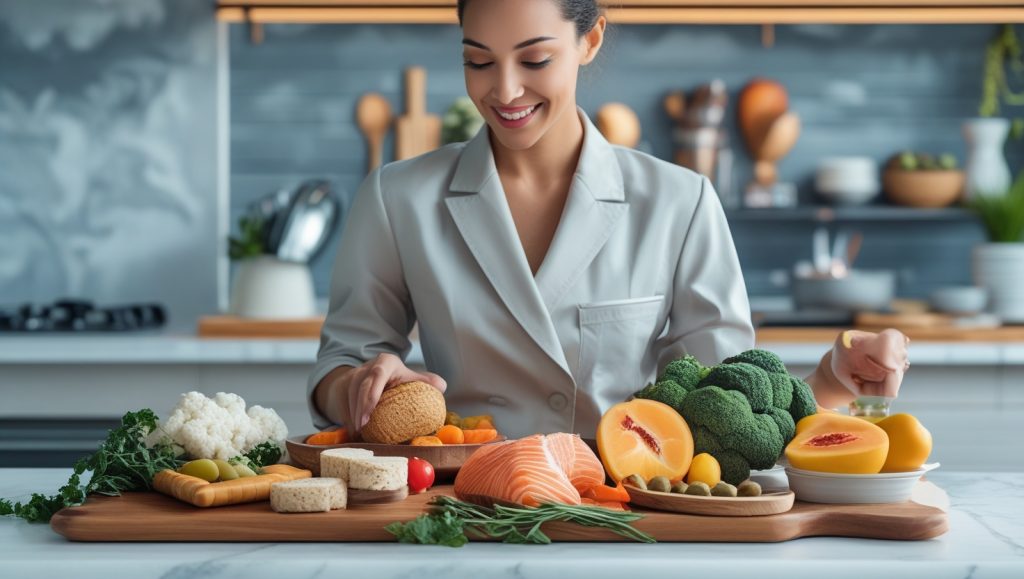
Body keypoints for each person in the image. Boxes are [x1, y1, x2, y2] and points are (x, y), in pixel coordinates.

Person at [309, 0, 910, 439]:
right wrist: (363, 384)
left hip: (624, 514)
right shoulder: (398, 196)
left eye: (535, 59)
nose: (505, 91)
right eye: (478, 62)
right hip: (460, 517)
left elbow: (727, 404)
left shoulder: (681, 201)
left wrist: (835, 377)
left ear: (590, 39)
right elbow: (339, 366)